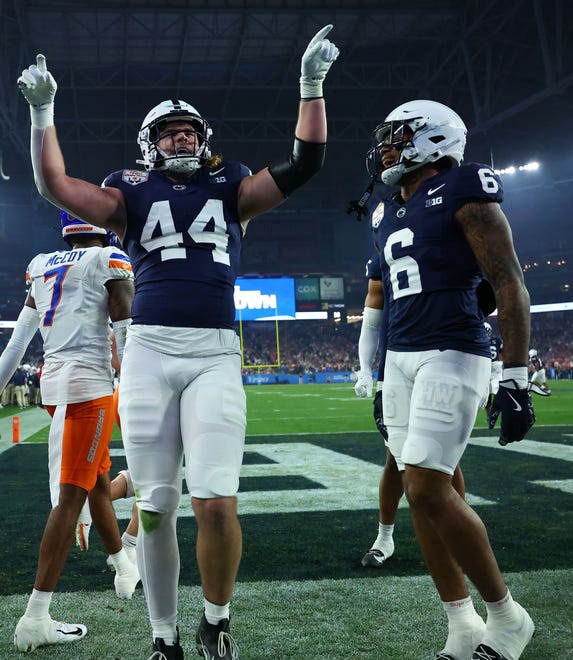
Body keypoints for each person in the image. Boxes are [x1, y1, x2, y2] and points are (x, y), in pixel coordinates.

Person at [18, 24, 339, 660]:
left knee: (217, 502)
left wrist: (310, 86)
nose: (181, 135)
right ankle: (163, 636)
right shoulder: (128, 191)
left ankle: (215, 619)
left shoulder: (232, 186)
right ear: (150, 144)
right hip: (148, 353)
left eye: (189, 129)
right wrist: (43, 112)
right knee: (158, 506)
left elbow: (305, 164)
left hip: (215, 352)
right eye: (169, 131)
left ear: (204, 139)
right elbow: (56, 185)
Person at [361, 99, 536, 660]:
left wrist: (514, 375)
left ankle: (508, 618)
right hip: (403, 357)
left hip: (453, 348)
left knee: (427, 487)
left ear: (432, 140)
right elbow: (383, 302)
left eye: (398, 136)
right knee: (426, 495)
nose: (386, 147)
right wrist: (379, 373)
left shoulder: (466, 188)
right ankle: (461, 625)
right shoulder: (386, 209)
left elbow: (507, 282)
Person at [0, 212, 138, 652]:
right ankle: (35, 617)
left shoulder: (42, 263)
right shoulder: (109, 258)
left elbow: (18, 343)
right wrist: (142, 397)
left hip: (55, 387)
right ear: (102, 224)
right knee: (70, 496)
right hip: (90, 389)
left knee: (97, 480)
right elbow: (126, 336)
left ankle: (123, 564)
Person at [355, 253, 465, 569]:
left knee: (445, 459)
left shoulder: (446, 232)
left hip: (443, 359)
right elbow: (373, 315)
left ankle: (456, 531)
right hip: (397, 365)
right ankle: (384, 536)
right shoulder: (387, 239)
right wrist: (364, 368)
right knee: (395, 458)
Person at [484, 321, 504, 414]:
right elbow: (502, 351)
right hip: (496, 366)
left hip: (486, 366)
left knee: (487, 393)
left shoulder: (479, 340)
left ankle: (490, 414)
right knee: (497, 391)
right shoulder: (497, 340)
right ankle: (495, 411)